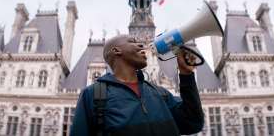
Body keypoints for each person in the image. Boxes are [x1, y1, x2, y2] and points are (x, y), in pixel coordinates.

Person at [71, 35, 204, 136]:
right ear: (116, 50)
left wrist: (186, 75)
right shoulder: (94, 95)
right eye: (133, 42)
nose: (142, 45)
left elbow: (193, 123)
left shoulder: (160, 93)